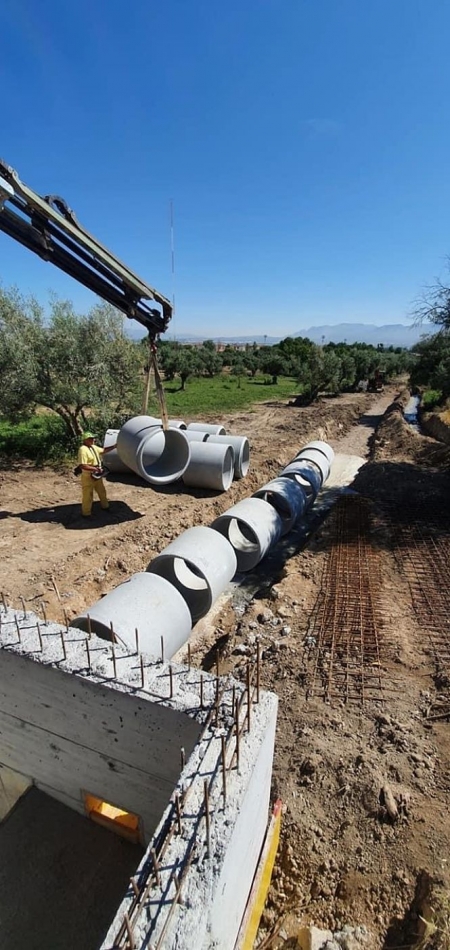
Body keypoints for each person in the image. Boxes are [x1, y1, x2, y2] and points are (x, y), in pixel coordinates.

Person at [77, 431, 117, 518]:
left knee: (102, 491)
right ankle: (86, 513)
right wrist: (95, 469)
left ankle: (105, 507)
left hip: (97, 474)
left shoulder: (93, 447)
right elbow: (82, 465)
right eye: (91, 439)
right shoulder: (82, 450)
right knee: (88, 495)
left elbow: (103, 450)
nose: (93, 440)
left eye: (93, 438)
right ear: (85, 440)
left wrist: (114, 446)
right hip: (88, 476)